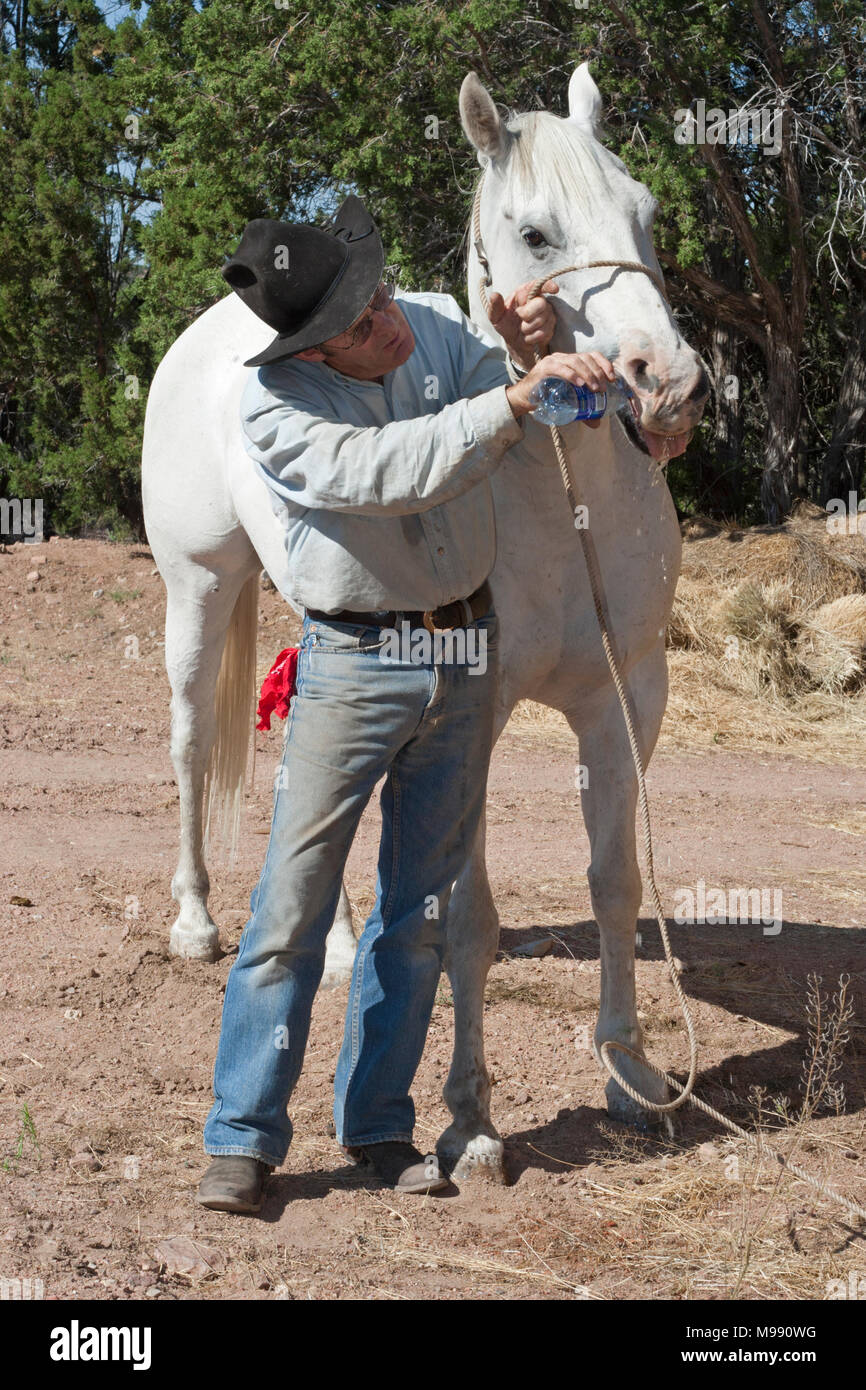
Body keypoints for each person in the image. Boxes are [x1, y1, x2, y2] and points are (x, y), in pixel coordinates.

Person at [198, 195, 617, 1213]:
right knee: (291, 908)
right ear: (308, 353)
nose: (386, 321)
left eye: (379, 296)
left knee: (418, 911)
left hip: (464, 652)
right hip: (351, 664)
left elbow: (496, 395)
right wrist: (511, 403)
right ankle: (242, 1139)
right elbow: (393, 472)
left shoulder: (427, 322)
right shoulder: (274, 409)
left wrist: (534, 366)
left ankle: (378, 1125)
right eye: (355, 324)